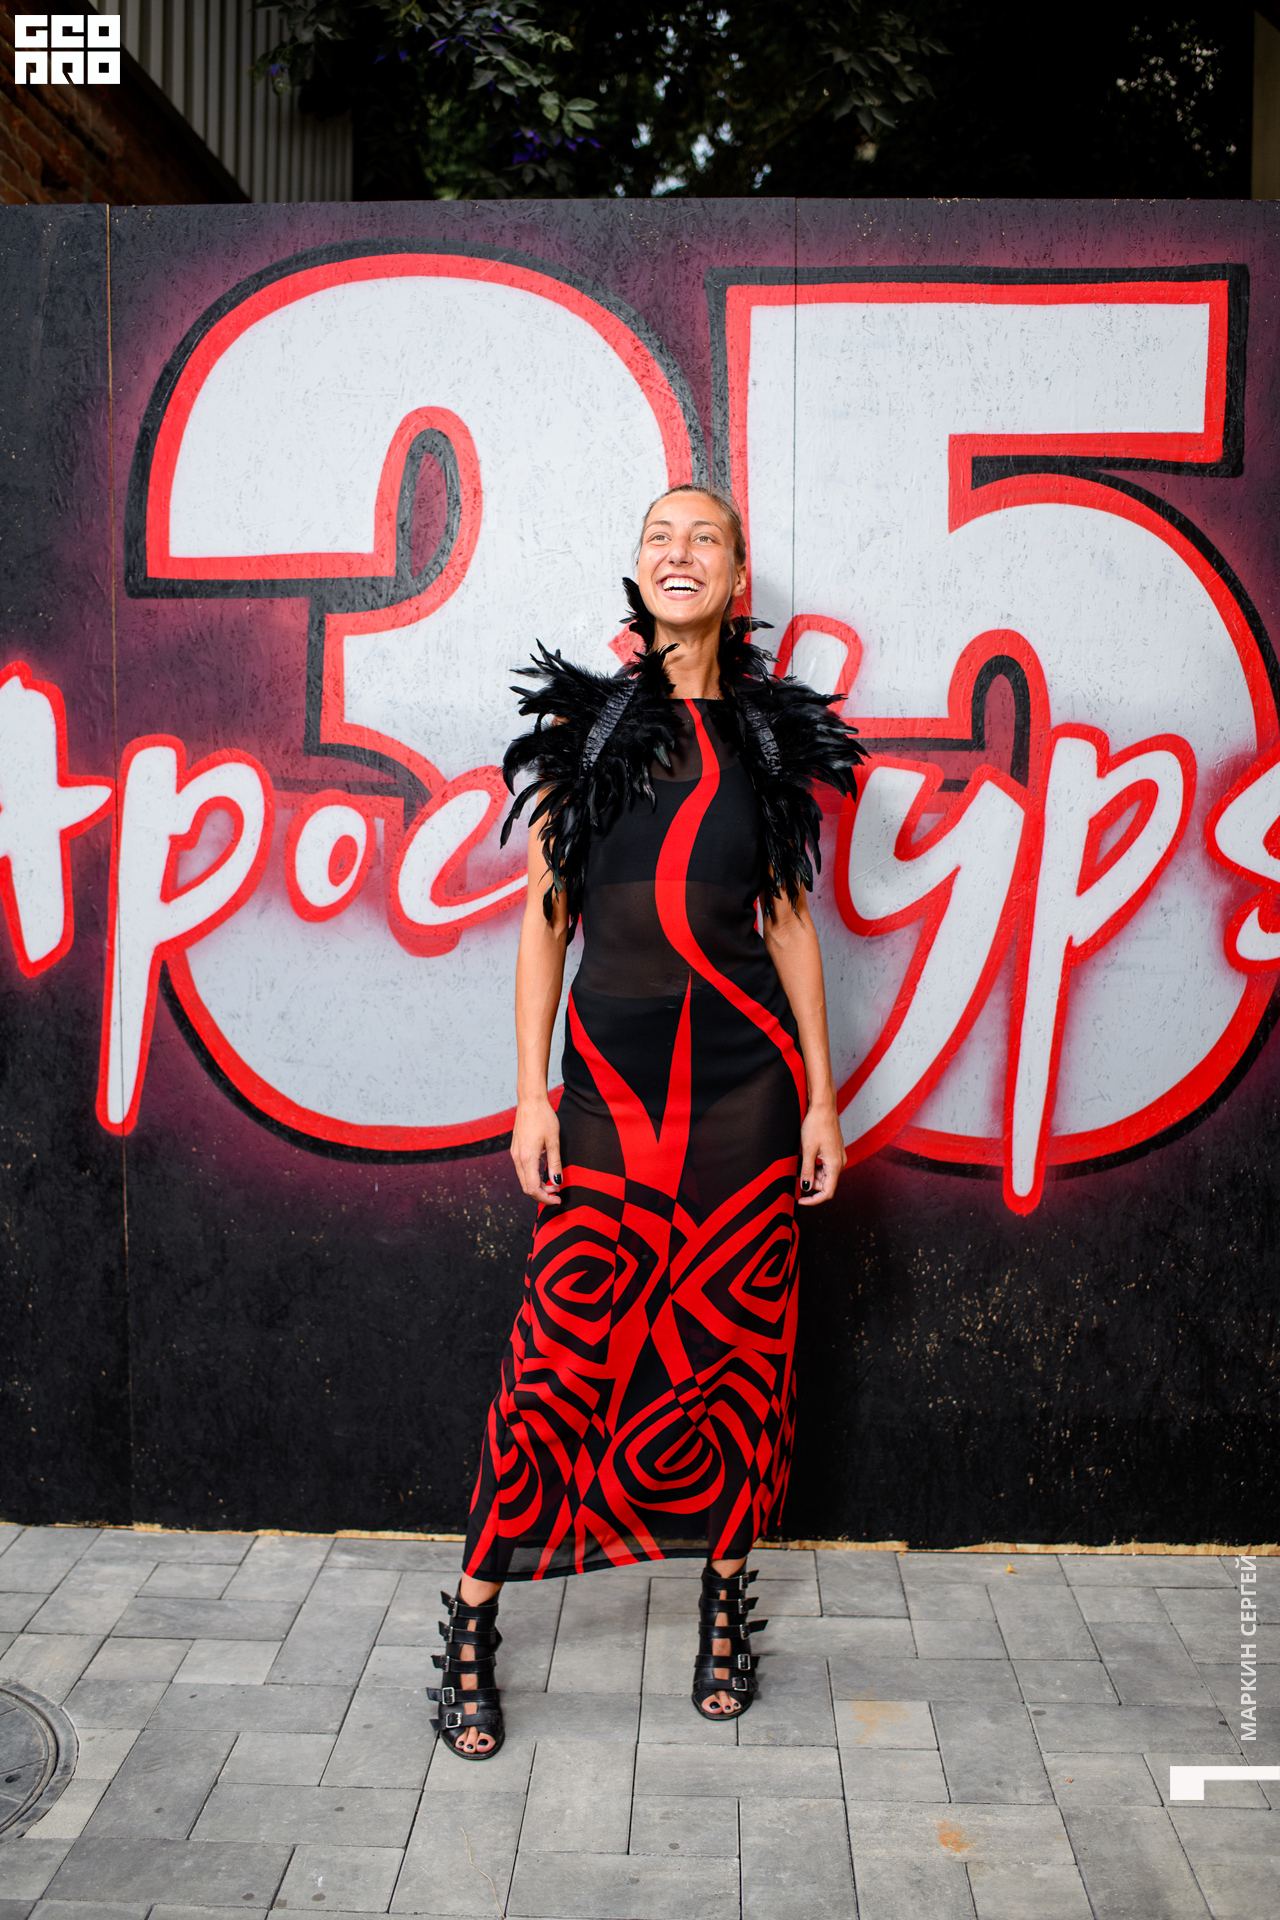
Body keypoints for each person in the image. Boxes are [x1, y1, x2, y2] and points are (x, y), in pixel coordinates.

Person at [428, 485, 862, 1759]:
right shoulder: (589, 731)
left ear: (735, 579)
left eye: (703, 538)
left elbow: (788, 920)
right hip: (609, 1092)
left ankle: (724, 1608)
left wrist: (821, 1097)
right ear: (637, 569)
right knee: (557, 1364)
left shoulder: (767, 740)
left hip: (746, 1091)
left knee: (734, 1354)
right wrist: (530, 1091)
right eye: (659, 537)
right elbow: (545, 920)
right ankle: (470, 1622)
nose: (680, 553)